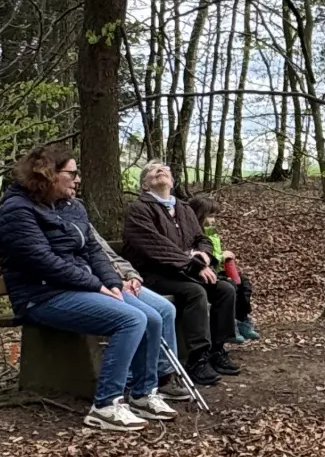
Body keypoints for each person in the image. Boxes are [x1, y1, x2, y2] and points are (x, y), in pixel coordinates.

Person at [0, 145, 175, 431]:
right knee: (130, 319)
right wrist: (95, 284)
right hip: (41, 296)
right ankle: (105, 405)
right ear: (49, 174)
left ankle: (142, 394)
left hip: (77, 289)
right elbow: (44, 262)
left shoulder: (72, 207)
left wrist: (113, 283)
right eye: (72, 173)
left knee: (152, 318)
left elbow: (94, 252)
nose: (78, 179)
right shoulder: (17, 211)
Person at [122, 163, 238, 386]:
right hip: (152, 274)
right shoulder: (138, 209)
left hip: (184, 271)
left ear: (172, 181)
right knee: (195, 292)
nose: (160, 171)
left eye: (164, 169)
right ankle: (196, 359)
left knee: (226, 289)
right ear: (145, 185)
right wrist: (193, 264)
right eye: (153, 170)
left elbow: (201, 238)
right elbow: (155, 246)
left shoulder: (183, 208)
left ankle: (217, 350)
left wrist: (204, 255)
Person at [89, 227, 190, 402]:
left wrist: (133, 276)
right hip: (106, 284)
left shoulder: (84, 222)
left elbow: (113, 256)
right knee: (145, 317)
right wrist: (116, 282)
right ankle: (133, 376)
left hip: (124, 280)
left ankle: (164, 375)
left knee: (166, 309)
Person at [189, 194, 260, 343]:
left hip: (218, 269)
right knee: (230, 287)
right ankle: (230, 325)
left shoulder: (212, 233)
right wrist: (221, 257)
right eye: (209, 216)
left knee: (244, 284)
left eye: (214, 216)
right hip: (204, 272)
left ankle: (242, 320)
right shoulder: (193, 234)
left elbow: (215, 253)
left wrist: (225, 261)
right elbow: (203, 257)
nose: (213, 220)